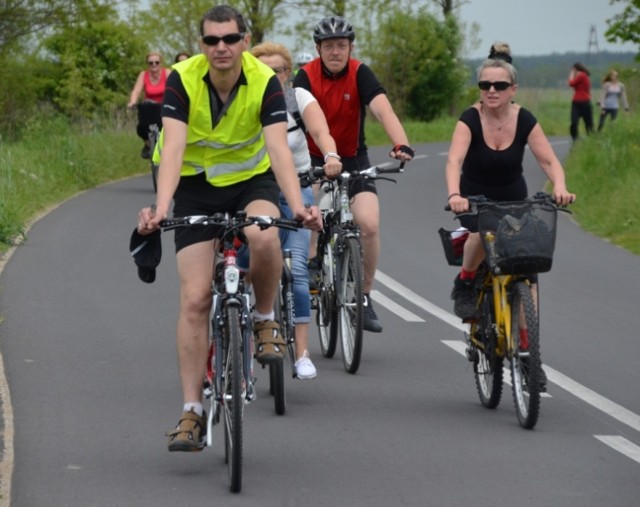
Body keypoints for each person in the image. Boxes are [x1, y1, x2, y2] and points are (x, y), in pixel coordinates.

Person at [135, 5, 321, 452]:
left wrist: (297, 206)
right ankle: (192, 412)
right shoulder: (181, 77)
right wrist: (161, 208)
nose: (221, 47)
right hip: (196, 187)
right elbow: (174, 147)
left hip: (250, 182)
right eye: (212, 40)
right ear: (202, 45)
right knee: (196, 297)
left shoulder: (263, 80)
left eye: (230, 39)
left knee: (263, 233)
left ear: (244, 39)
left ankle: (263, 319)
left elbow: (278, 148)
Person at [293, 15, 414, 333]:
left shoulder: (360, 73)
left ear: (350, 47)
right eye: (329, 46)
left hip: (353, 158)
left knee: (369, 224)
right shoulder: (304, 76)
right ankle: (312, 267)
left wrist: (400, 143)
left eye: (342, 45)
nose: (335, 52)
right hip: (313, 158)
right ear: (318, 48)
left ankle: (363, 296)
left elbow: (382, 109)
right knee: (311, 215)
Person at [445, 42, 576, 323]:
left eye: (500, 86)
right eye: (485, 85)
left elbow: (549, 161)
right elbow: (454, 161)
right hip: (475, 199)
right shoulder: (469, 119)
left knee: (527, 266)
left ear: (513, 89)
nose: (492, 90)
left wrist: (560, 187)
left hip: (514, 199)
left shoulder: (525, 118)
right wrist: (455, 194)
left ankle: (529, 350)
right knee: (479, 234)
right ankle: (465, 282)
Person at [250, 41, 342, 380]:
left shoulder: (298, 99)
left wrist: (330, 155)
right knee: (247, 269)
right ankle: (245, 342)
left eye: (278, 71)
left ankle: (302, 353)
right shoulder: (244, 101)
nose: (272, 76)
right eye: (263, 70)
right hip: (253, 189)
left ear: (289, 74)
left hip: (296, 188)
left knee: (298, 271)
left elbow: (321, 131)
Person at [127, 51, 171, 158]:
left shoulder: (167, 73)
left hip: (164, 105)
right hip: (149, 106)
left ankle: (169, 150)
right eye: (151, 63)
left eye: (157, 62)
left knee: (166, 127)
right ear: (147, 64)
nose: (154, 65)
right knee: (141, 128)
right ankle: (148, 144)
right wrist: (132, 101)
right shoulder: (144, 75)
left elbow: (174, 89)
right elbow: (136, 90)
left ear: (161, 63)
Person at [568, 62, 593, 142]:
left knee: (588, 123)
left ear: (575, 69)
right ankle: (575, 139)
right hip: (576, 102)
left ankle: (591, 138)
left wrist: (571, 74)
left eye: (573, 70)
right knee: (574, 122)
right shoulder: (581, 76)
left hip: (584, 101)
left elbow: (571, 83)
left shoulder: (582, 75)